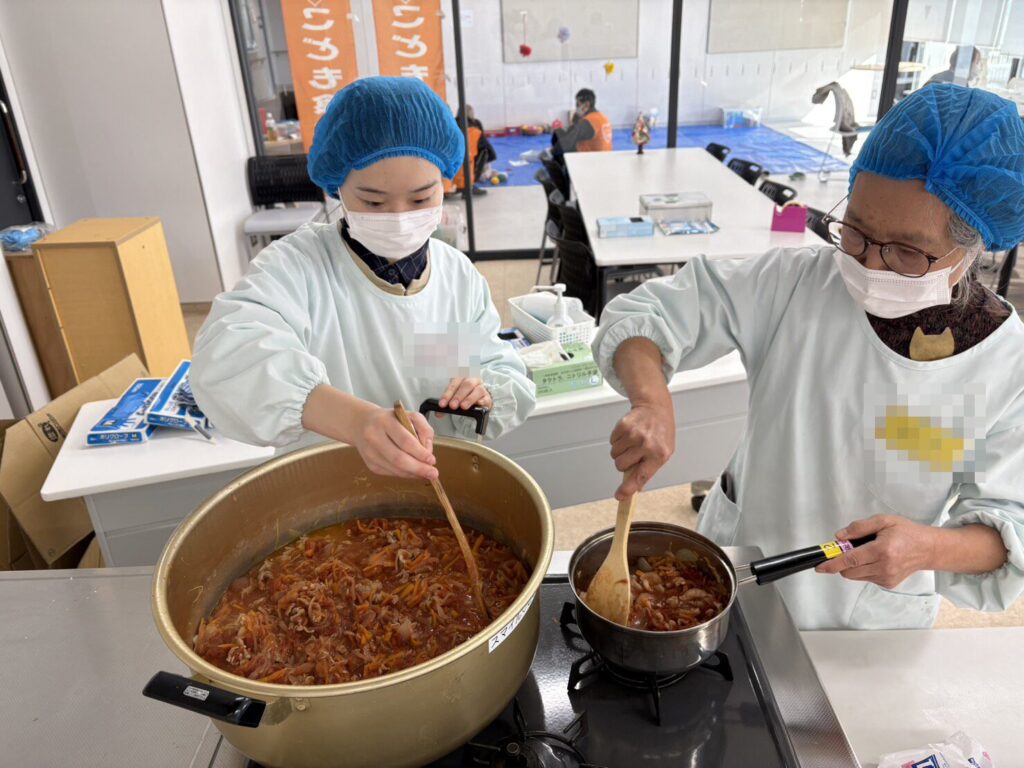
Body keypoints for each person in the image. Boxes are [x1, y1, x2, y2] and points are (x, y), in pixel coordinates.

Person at [591, 84, 1024, 630]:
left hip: (867, 617)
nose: (869, 265)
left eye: (906, 252)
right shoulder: (796, 283)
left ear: (973, 245)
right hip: (738, 567)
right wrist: (651, 400)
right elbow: (648, 315)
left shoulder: (1007, 366)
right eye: (856, 232)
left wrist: (929, 548)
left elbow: (1007, 524)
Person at [191, 77, 535, 481]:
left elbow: (493, 367)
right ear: (337, 188)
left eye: (422, 198)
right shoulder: (296, 268)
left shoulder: (457, 277)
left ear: (444, 183)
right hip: (326, 490)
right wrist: (354, 422)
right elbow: (226, 358)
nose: (399, 217)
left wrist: (481, 393)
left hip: (434, 484)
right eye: (373, 201)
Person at [552, 88, 613, 156]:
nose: (576, 108)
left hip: (588, 158)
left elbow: (567, 142)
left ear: (587, 104)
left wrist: (552, 152)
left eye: (578, 104)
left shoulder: (587, 122)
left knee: (558, 134)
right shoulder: (603, 117)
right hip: (604, 157)